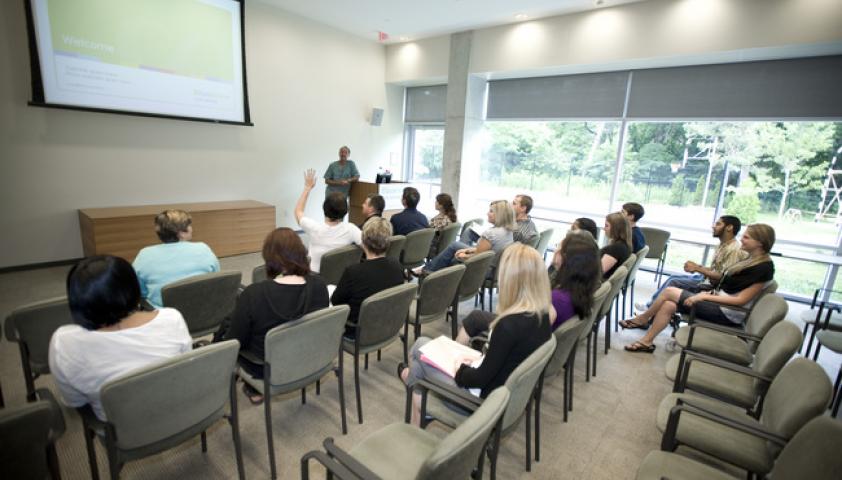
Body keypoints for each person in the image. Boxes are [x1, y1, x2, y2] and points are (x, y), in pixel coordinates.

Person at [399, 244, 553, 426]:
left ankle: (415, 404)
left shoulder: (509, 326)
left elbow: (479, 379)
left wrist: (461, 370)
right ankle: (418, 410)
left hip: (476, 402)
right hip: (500, 392)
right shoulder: (542, 316)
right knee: (422, 345)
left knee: (418, 353)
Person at [49, 255, 192, 420]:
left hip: (120, 430)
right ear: (134, 287)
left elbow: (74, 401)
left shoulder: (64, 342)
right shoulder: (172, 319)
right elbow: (185, 366)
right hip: (174, 413)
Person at [620, 224, 776, 353]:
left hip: (727, 313)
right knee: (669, 304)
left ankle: (643, 318)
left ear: (760, 242)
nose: (742, 239)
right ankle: (647, 341)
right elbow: (729, 286)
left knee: (669, 291)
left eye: (747, 237)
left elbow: (741, 299)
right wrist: (710, 293)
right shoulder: (752, 260)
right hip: (719, 303)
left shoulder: (764, 268)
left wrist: (704, 296)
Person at [222, 228, 329, 403]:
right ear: (301, 253)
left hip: (265, 368)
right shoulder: (319, 285)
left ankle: (247, 386)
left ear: (269, 259)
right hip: (309, 357)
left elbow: (235, 341)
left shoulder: (254, 294)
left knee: (230, 327)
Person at [636, 215, 747, 312]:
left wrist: (698, 269)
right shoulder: (723, 245)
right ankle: (651, 307)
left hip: (711, 286)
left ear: (729, 227)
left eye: (718, 224)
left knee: (674, 281)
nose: (713, 226)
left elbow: (722, 277)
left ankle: (650, 309)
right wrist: (698, 267)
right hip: (705, 278)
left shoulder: (734, 249)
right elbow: (716, 269)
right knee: (673, 277)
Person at [331, 218, 405, 337]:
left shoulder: (353, 272)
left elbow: (336, 301)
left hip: (357, 331)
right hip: (388, 324)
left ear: (364, 241)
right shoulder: (397, 266)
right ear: (388, 242)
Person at [133, 209, 220, 308]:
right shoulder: (203, 248)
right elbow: (216, 277)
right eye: (189, 225)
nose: (191, 228)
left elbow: (140, 291)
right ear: (181, 233)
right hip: (205, 311)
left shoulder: (145, 254)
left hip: (165, 317)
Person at [418, 199, 515, 274]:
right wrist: (467, 251)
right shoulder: (508, 231)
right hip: (496, 270)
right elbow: (486, 251)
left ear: (500, 214)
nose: (487, 213)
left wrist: (463, 256)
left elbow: (477, 258)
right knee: (455, 247)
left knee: (453, 257)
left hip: (484, 271)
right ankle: (431, 271)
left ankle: (427, 270)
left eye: (491, 211)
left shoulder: (491, 233)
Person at [295, 169, 362, 273]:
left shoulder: (313, 227)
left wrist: (307, 188)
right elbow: (369, 247)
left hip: (315, 278)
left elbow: (298, 211)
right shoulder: (351, 229)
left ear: (324, 208)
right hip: (340, 278)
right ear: (346, 211)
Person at [548, 231, 603, 329]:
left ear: (566, 258)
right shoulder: (581, 289)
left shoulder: (556, 299)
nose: (555, 251)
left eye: (558, 247)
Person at [600, 212, 632, 279]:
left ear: (616, 228)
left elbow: (598, 272)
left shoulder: (615, 249)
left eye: (606, 226)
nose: (604, 228)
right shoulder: (624, 244)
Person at [428, 193, 458, 257]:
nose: (435, 203)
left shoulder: (441, 220)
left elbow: (430, 233)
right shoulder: (450, 216)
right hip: (446, 247)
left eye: (436, 201)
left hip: (434, 248)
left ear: (441, 205)